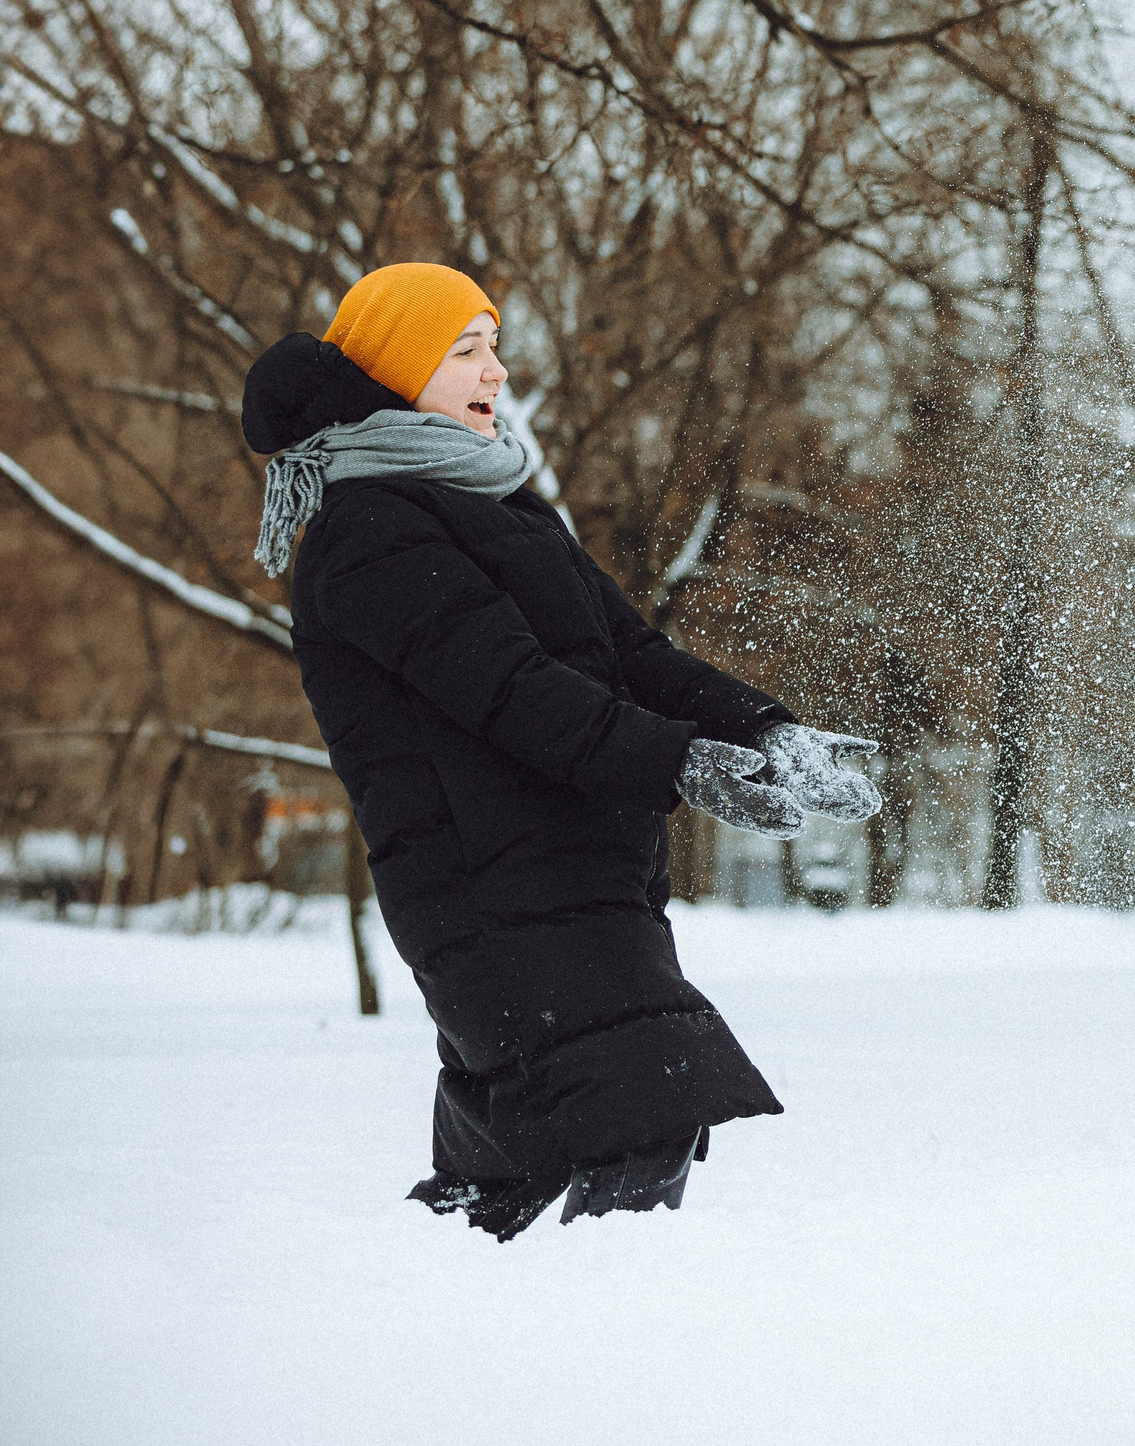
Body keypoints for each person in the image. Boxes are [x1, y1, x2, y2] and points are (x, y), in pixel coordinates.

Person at [241, 263, 880, 1241]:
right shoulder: (364, 527)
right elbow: (516, 695)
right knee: (641, 1118)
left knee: (519, 1179)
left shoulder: (501, 502)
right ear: (400, 367)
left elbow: (633, 654)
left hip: (576, 880)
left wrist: (768, 730)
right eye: (465, 350)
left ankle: (450, 1352)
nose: (494, 370)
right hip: (490, 893)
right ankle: (590, 1368)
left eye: (494, 345)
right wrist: (684, 763)